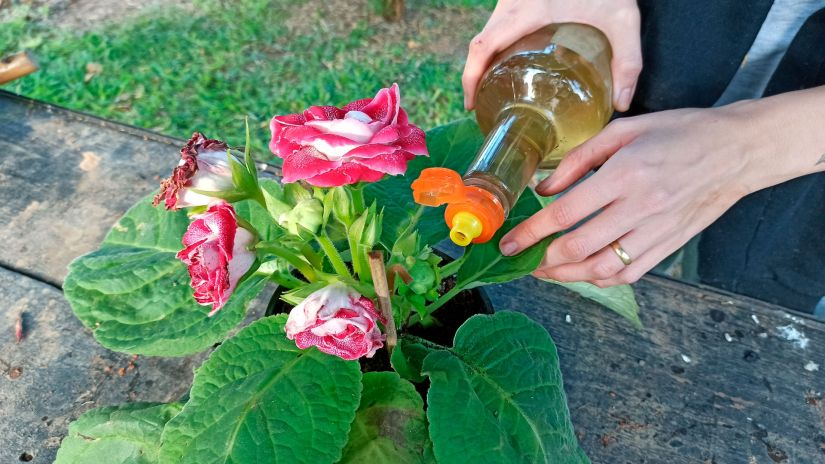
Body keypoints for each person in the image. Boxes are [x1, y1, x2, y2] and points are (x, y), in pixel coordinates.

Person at [462, 0, 825, 313]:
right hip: (643, 77)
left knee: (736, 294)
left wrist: (743, 151)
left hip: (801, 179)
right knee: (608, 249)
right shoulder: (544, 103)